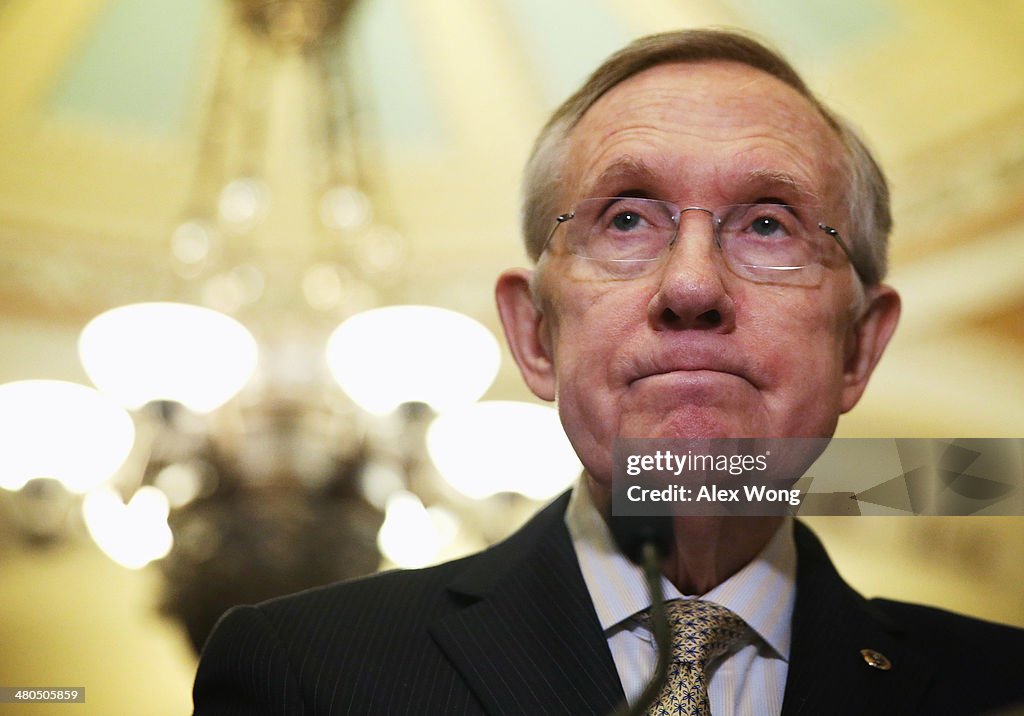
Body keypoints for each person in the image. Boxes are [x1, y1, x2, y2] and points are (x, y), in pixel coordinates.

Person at [193, 29, 1024, 715]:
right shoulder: (307, 674)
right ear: (535, 336)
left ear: (860, 348)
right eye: (625, 217)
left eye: (769, 225)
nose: (693, 285)